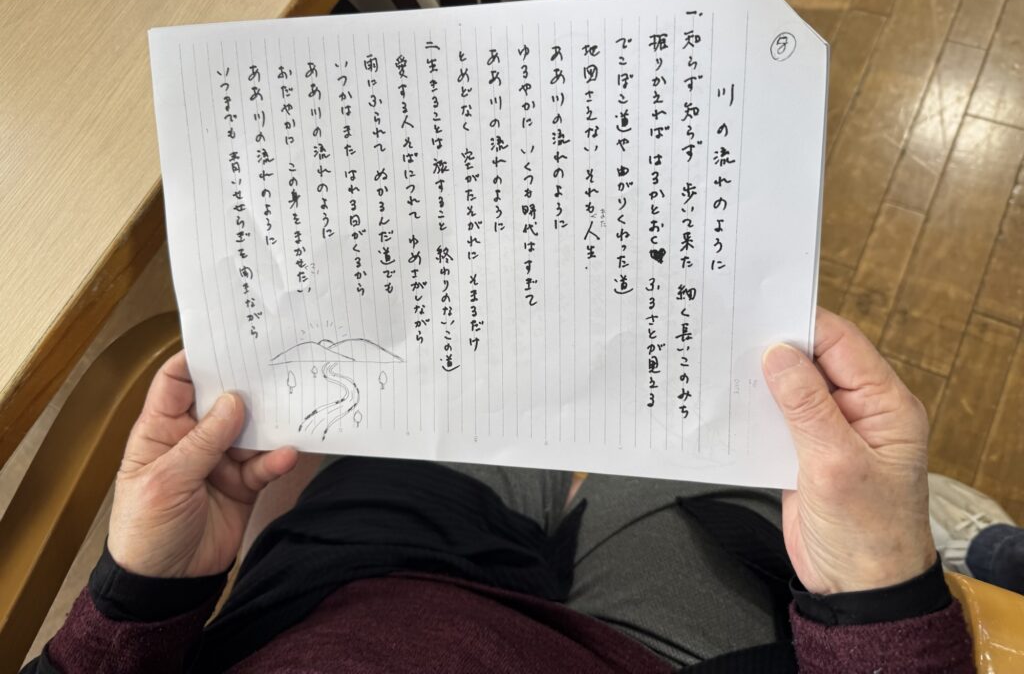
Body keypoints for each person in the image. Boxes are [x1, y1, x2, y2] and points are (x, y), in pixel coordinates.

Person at [21, 309, 973, 672]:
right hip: (662, 656)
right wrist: (881, 592)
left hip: (349, 597)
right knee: (711, 442)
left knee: (483, 375)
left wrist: (137, 595)